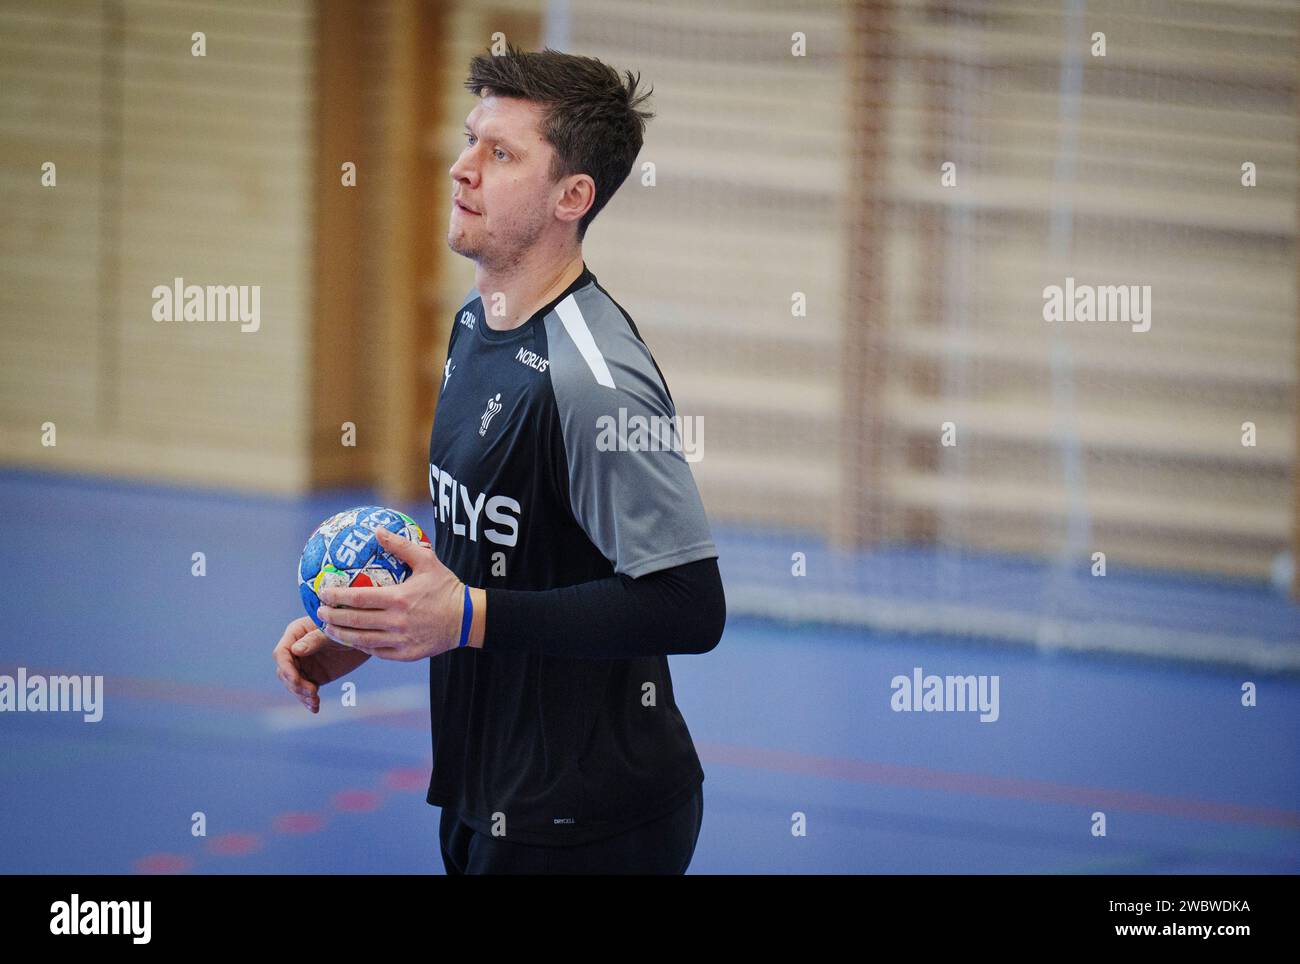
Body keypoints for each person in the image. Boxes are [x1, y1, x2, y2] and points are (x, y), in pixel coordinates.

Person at [273, 43, 725, 874]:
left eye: (501, 153)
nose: (461, 168)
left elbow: (691, 606)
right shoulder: (476, 326)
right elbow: (498, 548)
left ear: (572, 197)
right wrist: (382, 624)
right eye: (470, 139)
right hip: (486, 793)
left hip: (589, 824)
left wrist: (468, 618)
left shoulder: (596, 382)